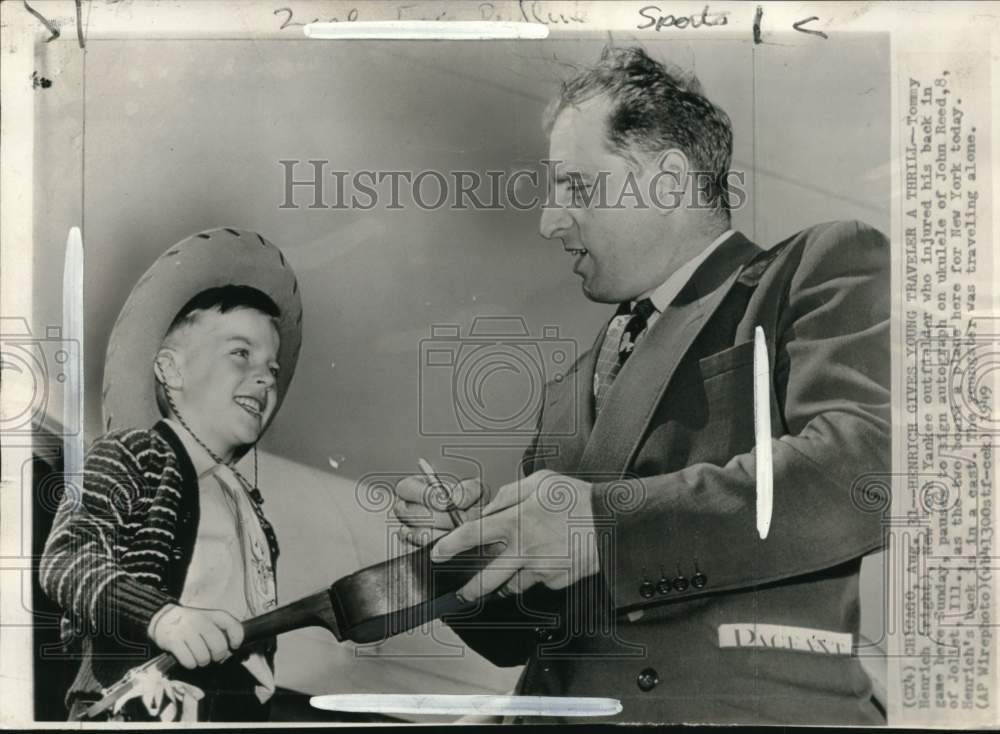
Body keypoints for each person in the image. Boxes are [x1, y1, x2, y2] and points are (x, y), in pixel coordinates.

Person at [393, 46, 890, 725]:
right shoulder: (569, 387)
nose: (549, 221)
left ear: (666, 181)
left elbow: (862, 475)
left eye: (575, 186)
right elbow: (526, 639)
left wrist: (603, 527)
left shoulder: (818, 267)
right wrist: (463, 551)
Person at [40, 228, 303, 721]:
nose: (267, 376)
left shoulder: (249, 505)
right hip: (141, 698)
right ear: (172, 370)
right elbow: (67, 556)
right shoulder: (136, 451)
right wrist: (161, 617)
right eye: (241, 353)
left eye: (273, 365)